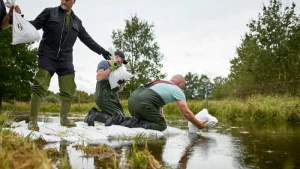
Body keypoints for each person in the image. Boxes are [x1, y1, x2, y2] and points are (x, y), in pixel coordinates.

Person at [27, 0, 112, 131]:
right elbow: (34, 24)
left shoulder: (77, 22)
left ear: (74, 1)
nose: (64, 1)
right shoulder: (50, 12)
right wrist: (17, 21)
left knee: (69, 90)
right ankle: (33, 121)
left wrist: (102, 51)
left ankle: (64, 118)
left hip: (65, 59)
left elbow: (87, 39)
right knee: (39, 87)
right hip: (47, 55)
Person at [86, 74, 208, 131]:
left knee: (152, 120)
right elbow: (186, 112)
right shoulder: (177, 90)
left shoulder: (160, 82)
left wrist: (160, 117)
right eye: (183, 86)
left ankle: (108, 117)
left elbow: (157, 104)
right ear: (180, 83)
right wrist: (198, 124)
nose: (182, 88)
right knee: (162, 126)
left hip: (132, 100)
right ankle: (128, 123)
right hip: (142, 103)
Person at [84, 51, 128, 126]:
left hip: (112, 98)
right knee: (119, 118)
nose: (121, 64)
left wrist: (119, 84)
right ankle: (95, 115)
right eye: (120, 62)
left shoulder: (118, 71)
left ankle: (94, 114)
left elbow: (118, 90)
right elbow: (99, 77)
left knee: (121, 117)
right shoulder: (104, 63)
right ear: (116, 57)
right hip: (103, 96)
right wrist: (111, 68)